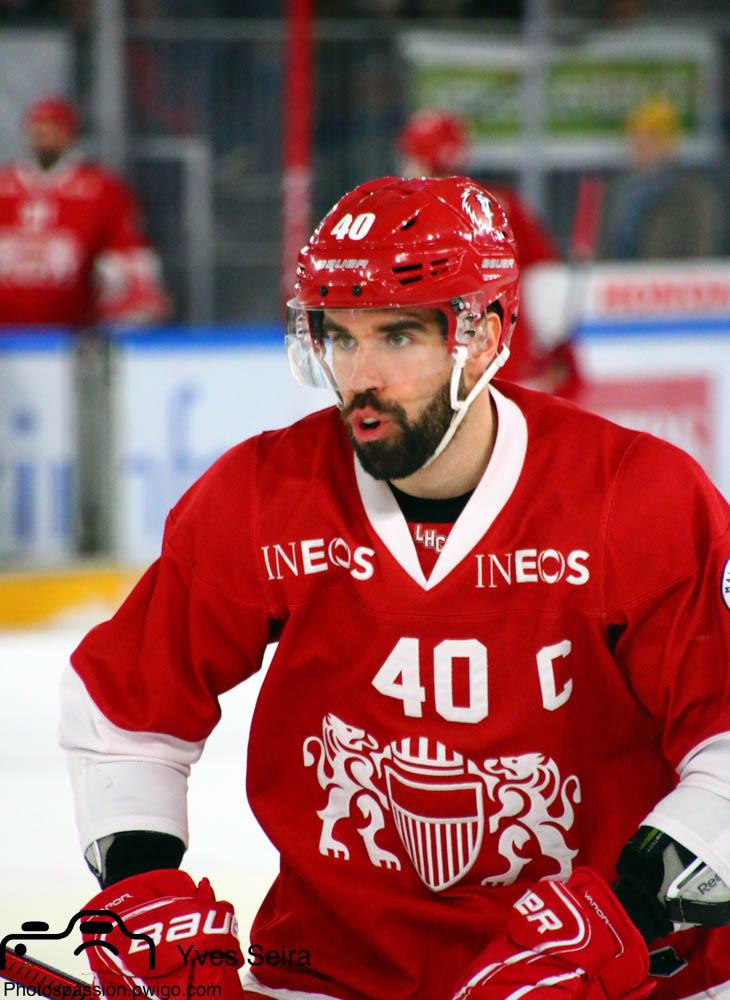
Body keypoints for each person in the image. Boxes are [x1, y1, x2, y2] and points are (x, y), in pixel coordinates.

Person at [59, 176, 730, 1000]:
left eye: (398, 336)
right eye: (339, 337)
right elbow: (127, 712)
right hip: (336, 974)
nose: (360, 376)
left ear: (483, 338)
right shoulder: (262, 494)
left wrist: (625, 918)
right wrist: (142, 892)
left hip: (611, 980)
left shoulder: (639, 497)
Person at [399, 108, 582, 398]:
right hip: (510, 362)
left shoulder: (405, 215)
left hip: (440, 371)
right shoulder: (501, 204)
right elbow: (549, 287)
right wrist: (558, 349)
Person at [0, 95, 169, 328]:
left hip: (74, 332)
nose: (43, 135)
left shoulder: (102, 190)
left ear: (68, 133)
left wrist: (136, 299)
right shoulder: (4, 185)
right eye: (38, 127)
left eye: (52, 127)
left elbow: (130, 258)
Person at [604, 97, 722, 261]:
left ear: (669, 144)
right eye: (636, 136)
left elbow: (702, 252)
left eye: (652, 138)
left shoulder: (693, 197)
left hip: (671, 276)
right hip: (619, 276)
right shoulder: (619, 192)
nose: (641, 145)